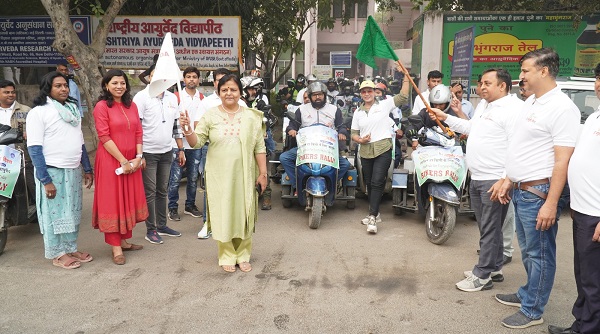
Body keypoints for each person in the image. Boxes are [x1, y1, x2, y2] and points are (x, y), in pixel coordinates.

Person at [495, 48, 580, 329]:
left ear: (544, 71)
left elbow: (562, 159)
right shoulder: (533, 102)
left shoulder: (562, 108)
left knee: (541, 253)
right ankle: (527, 294)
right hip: (522, 190)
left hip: (539, 193)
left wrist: (551, 203)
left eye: (526, 71)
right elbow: (523, 147)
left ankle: (533, 310)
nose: (521, 77)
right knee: (529, 250)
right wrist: (509, 178)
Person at [430, 68, 523, 292]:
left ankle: (482, 275)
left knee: (490, 227)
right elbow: (471, 128)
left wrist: (505, 179)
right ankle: (495, 267)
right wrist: (446, 118)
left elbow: (517, 147)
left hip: (495, 179)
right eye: (481, 83)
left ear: (503, 86)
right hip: (478, 176)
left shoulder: (514, 109)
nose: (481, 87)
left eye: (487, 83)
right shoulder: (484, 105)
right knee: (488, 227)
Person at [179, 74, 267, 273]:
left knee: (244, 212)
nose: (229, 93)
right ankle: (227, 254)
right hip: (219, 175)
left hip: (245, 174)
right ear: (218, 93)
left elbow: (259, 147)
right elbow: (196, 142)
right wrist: (186, 129)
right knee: (223, 213)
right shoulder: (210, 115)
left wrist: (263, 173)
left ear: (240, 93)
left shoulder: (251, 116)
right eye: (225, 90)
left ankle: (243, 254)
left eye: (233, 89)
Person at [548, 63, 600, 334]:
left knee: (594, 280)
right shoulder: (594, 117)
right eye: (598, 78)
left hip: (597, 215)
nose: (599, 84)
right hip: (581, 210)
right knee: (583, 276)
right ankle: (580, 324)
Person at [26, 71, 94, 269]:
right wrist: (45, 180)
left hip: (72, 170)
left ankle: (70, 248)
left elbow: (80, 141)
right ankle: (57, 254)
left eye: (65, 85)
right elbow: (35, 148)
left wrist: (87, 169)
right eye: (58, 86)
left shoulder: (73, 110)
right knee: (53, 215)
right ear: (48, 88)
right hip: (51, 171)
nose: (64, 89)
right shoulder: (39, 112)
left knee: (71, 213)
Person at [92, 69, 149, 265]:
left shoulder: (131, 105)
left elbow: (139, 132)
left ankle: (124, 241)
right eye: (114, 83)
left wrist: (138, 157)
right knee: (114, 202)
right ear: (106, 85)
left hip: (132, 161)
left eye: (122, 83)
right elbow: (104, 136)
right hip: (111, 162)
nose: (119, 86)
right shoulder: (101, 107)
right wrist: (124, 161)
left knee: (128, 201)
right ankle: (116, 248)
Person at [351, 73, 410, 234]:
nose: (367, 94)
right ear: (361, 94)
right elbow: (353, 133)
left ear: (374, 92)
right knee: (369, 183)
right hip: (365, 150)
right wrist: (360, 140)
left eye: (369, 91)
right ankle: (375, 213)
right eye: (364, 92)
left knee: (377, 181)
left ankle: (372, 216)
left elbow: (403, 96)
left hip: (383, 149)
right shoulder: (358, 112)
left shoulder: (384, 105)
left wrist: (406, 77)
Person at [133, 68, 185, 244]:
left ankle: (162, 225)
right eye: (155, 75)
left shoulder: (172, 98)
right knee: (150, 192)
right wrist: (139, 154)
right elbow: (136, 128)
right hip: (148, 152)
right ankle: (151, 229)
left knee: (163, 190)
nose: (158, 78)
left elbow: (176, 125)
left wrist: (180, 149)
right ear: (149, 77)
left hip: (166, 151)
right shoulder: (141, 97)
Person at [195, 68, 247, 239]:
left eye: (232, 87)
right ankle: (208, 222)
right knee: (212, 187)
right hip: (211, 149)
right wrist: (189, 130)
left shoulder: (244, 107)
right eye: (219, 82)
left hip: (237, 156)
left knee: (235, 191)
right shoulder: (207, 104)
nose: (227, 90)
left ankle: (236, 230)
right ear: (215, 84)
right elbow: (198, 127)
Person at [279, 82, 351, 192]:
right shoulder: (302, 110)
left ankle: (331, 184)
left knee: (345, 164)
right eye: (314, 95)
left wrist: (342, 133)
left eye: (320, 94)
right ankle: (297, 185)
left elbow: (341, 126)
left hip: (328, 148)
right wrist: (292, 130)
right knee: (284, 158)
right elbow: (292, 125)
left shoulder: (334, 109)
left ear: (324, 95)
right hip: (306, 148)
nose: (317, 97)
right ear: (310, 96)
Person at [167, 67, 204, 221]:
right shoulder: (176, 97)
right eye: (188, 76)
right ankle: (172, 207)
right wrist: (179, 145)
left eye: (194, 77)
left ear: (198, 79)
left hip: (195, 144)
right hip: (178, 144)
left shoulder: (202, 98)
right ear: (183, 79)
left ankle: (190, 205)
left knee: (193, 177)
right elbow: (173, 122)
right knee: (175, 178)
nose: (191, 79)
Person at [0, 80, 35, 201]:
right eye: (6, 92)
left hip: (22, 158)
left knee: (30, 189)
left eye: (13, 92)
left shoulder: (27, 111)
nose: (10, 94)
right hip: (2, 160)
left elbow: (36, 131)